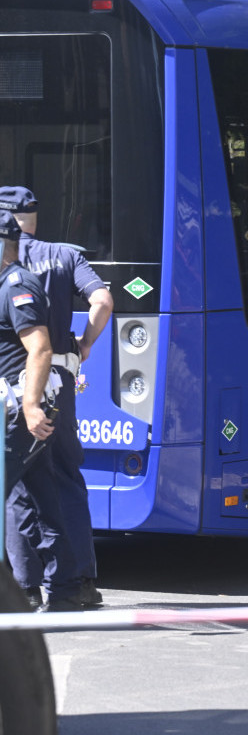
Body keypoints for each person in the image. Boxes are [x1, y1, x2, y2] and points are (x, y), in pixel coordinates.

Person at [0, 186, 112, 609]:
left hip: (21, 390)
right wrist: (85, 344)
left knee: (16, 491)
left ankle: (24, 587)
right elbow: (102, 300)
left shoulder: (12, 270)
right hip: (57, 382)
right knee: (61, 480)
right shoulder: (65, 255)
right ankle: (76, 582)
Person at [0, 209, 78, 612]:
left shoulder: (16, 285)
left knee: (14, 496)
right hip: (15, 411)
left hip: (19, 411)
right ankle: (64, 589)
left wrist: (30, 406)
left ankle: (38, 589)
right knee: (43, 498)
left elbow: (40, 348)